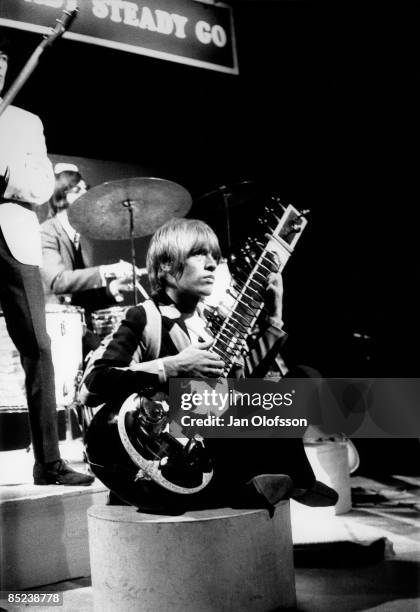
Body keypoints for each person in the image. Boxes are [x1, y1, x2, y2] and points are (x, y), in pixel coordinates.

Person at [81, 217, 338, 512]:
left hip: (213, 435)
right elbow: (92, 385)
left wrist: (274, 318)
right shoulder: (144, 316)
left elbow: (242, 387)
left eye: (214, 257)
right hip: (168, 448)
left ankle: (273, 479)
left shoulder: (210, 323)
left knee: (303, 378)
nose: (212, 264)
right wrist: (174, 366)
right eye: (198, 254)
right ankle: (268, 482)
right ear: (166, 265)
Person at [0, 34, 93, 486]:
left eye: (1, 60)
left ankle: (49, 462)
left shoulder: (25, 122)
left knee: (38, 347)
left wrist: (4, 171)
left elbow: (38, 188)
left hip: (14, 243)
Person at [40, 163, 140, 353]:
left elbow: (80, 294)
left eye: (86, 189)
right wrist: (106, 270)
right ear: (61, 196)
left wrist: (111, 289)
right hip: (56, 329)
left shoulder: (81, 239)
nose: (86, 196)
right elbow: (58, 282)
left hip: (79, 327)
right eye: (78, 190)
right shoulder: (47, 232)